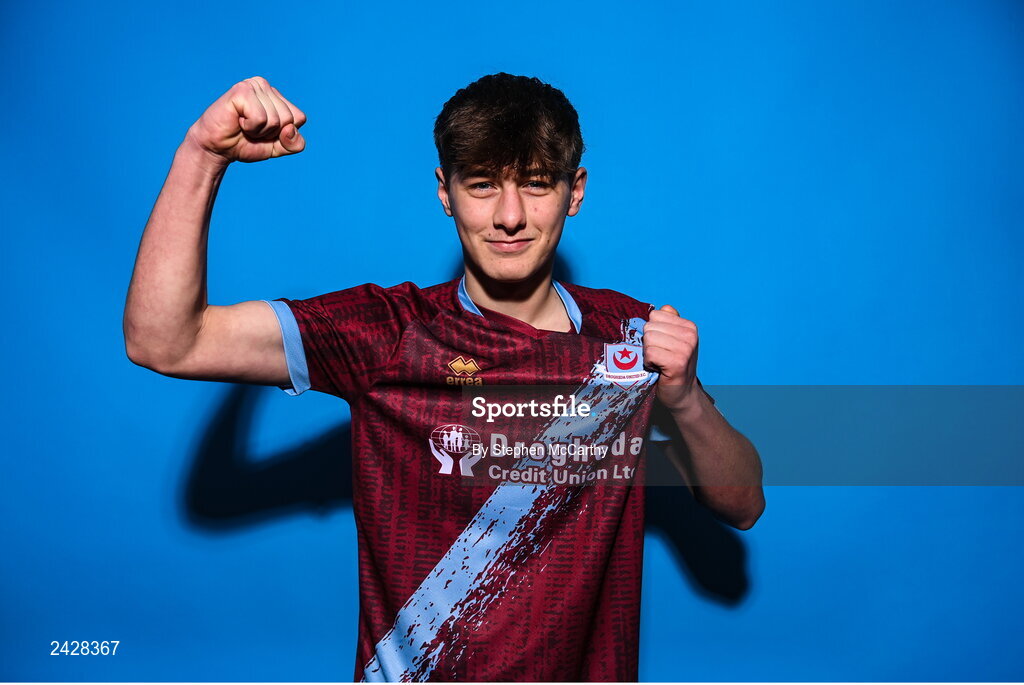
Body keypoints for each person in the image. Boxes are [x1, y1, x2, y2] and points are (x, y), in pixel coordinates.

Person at [124, 73, 765, 682]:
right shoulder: (388, 334)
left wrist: (684, 400)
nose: (509, 216)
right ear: (444, 191)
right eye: (483, 185)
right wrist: (202, 154)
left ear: (576, 191)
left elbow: (743, 503)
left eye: (537, 184)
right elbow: (164, 341)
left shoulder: (628, 336)